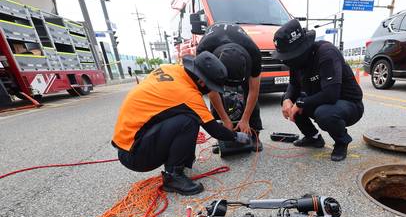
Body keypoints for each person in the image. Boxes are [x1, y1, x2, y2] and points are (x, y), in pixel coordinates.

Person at [112, 52, 251, 196]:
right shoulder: (188, 96)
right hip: (135, 156)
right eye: (211, 86)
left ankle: (181, 162)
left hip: (129, 142)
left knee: (184, 115)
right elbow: (215, 131)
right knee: (188, 121)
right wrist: (238, 137)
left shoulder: (170, 69)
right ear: (202, 82)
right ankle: (173, 177)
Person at [272, 19, 364, 162]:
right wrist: (287, 99)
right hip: (321, 99)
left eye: (288, 57)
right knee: (288, 100)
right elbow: (293, 85)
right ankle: (313, 137)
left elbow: (331, 95)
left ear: (301, 49)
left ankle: (341, 141)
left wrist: (301, 103)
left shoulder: (326, 53)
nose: (286, 61)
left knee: (324, 113)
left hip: (348, 104)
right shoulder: (296, 62)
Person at [196, 23, 263, 151]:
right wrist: (225, 119)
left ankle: (254, 134)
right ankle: (223, 136)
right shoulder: (204, 52)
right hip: (214, 50)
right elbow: (211, 91)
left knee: (248, 91)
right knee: (216, 92)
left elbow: (254, 90)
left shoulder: (254, 53)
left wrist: (245, 119)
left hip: (242, 50)